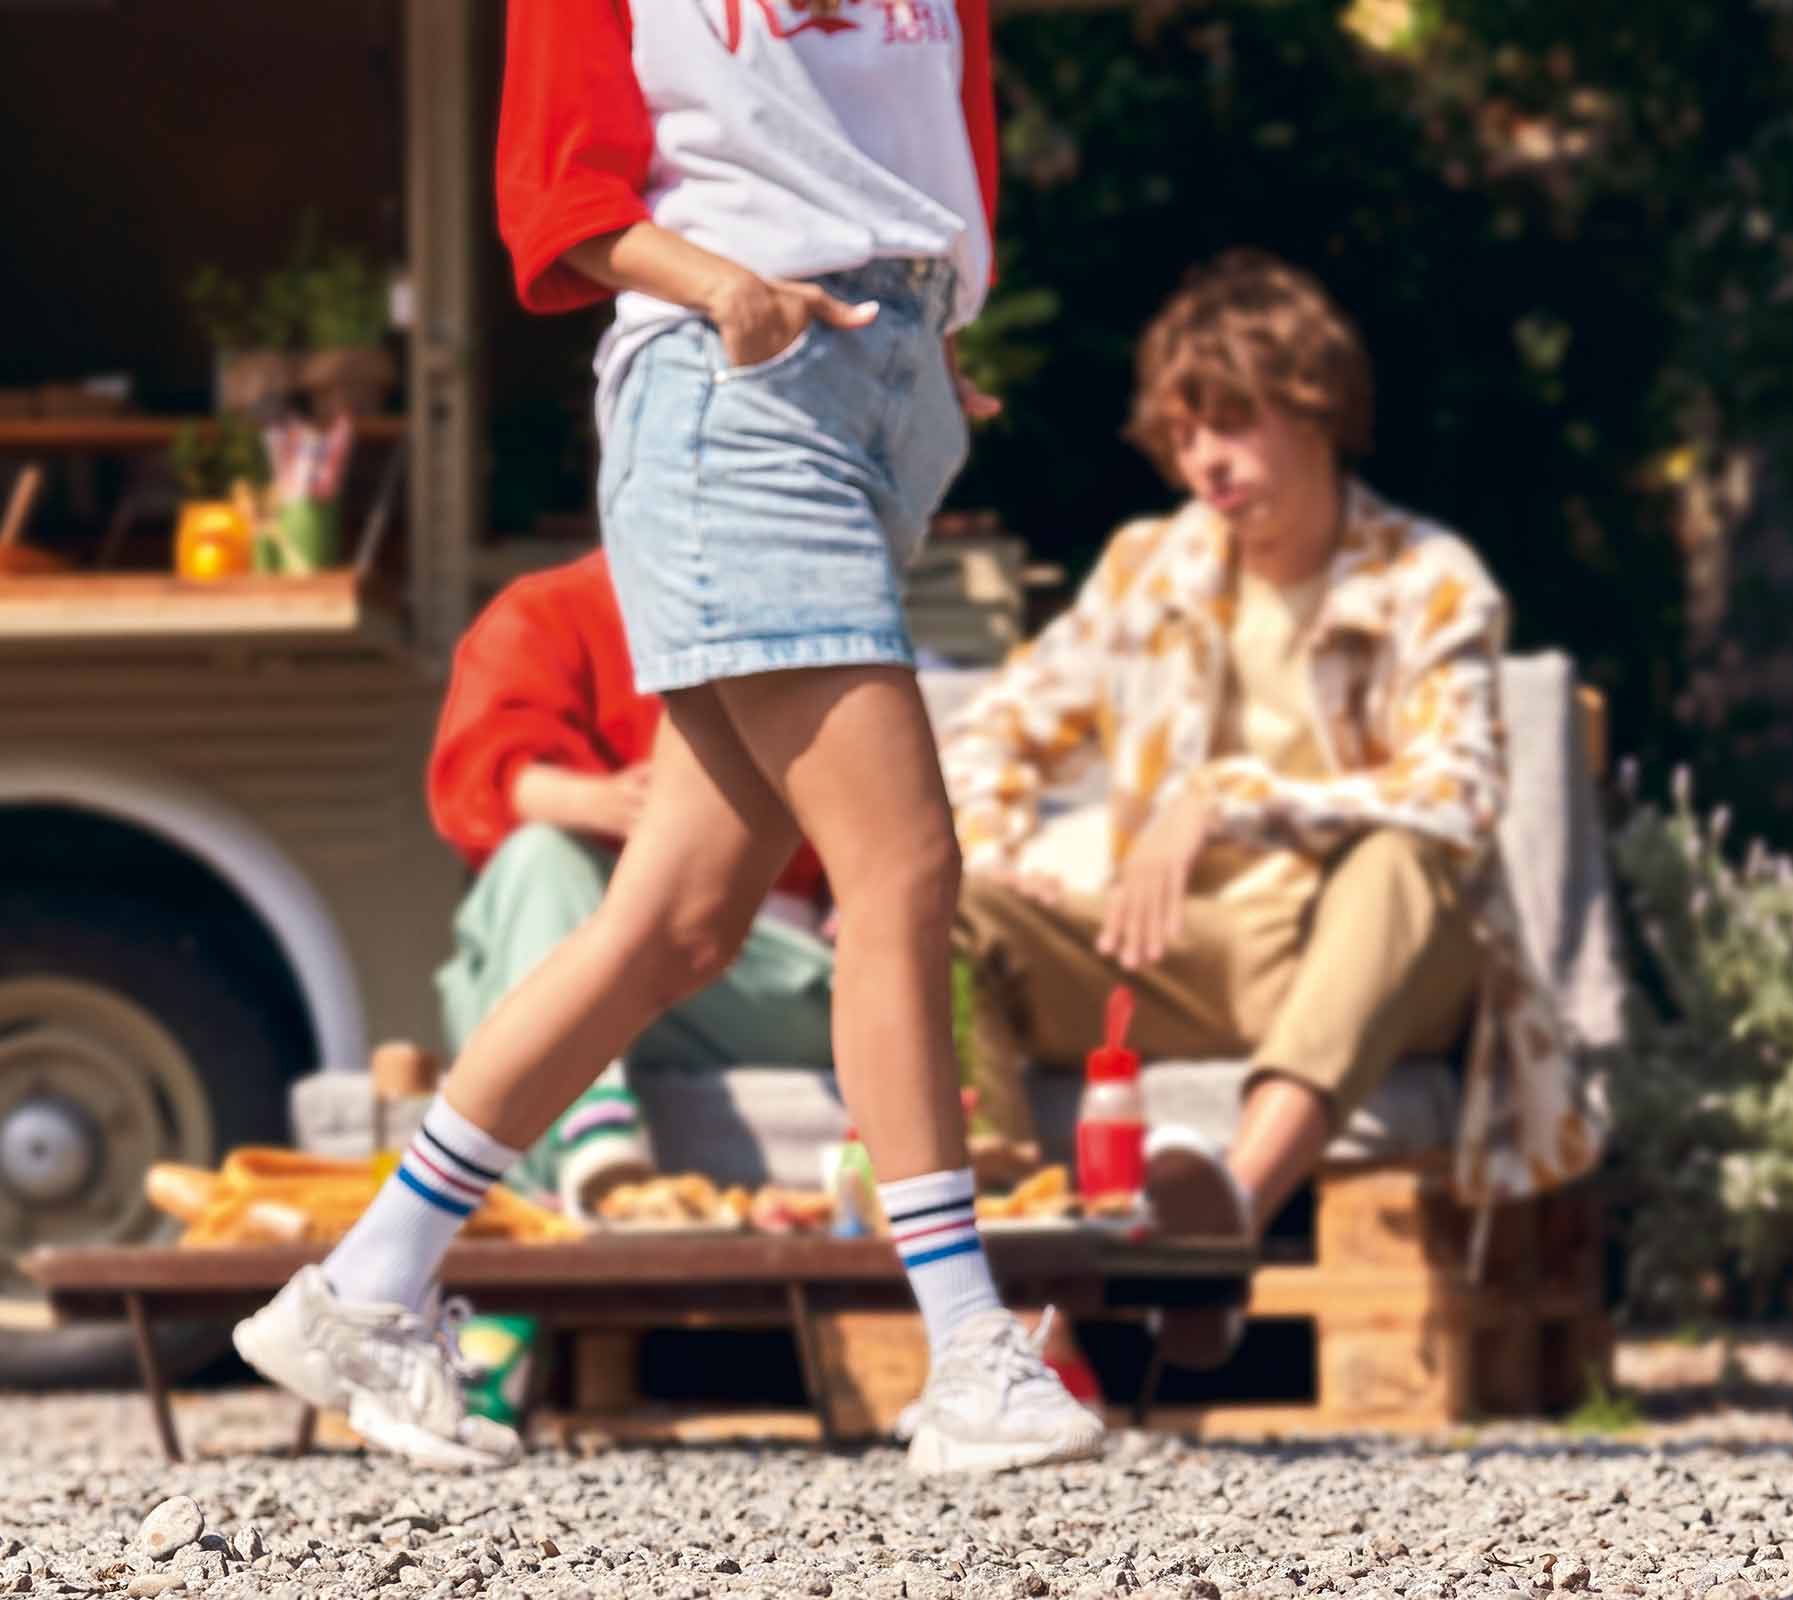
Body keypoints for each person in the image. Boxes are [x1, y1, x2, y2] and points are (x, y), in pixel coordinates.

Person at [230, 0, 1104, 1475]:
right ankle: (966, 1352)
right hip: (736, 392)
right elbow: (555, 189)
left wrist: (924, 326)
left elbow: (915, 128)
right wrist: (727, 291)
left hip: (878, 384)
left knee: (682, 920)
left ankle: (365, 1287)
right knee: (903, 873)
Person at [941, 251, 1570, 1365]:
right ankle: (1000, 1296)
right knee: (948, 909)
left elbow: (1461, 794)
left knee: (1400, 862)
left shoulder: (1429, 576)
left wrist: (1228, 801)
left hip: (1367, 957)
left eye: (1232, 424)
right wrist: (1004, 849)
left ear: (1314, 407)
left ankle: (1227, 1207)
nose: (1206, 462)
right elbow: (993, 730)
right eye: (1183, 438)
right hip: (1171, 951)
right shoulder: (1149, 567)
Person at [425, 551, 842, 1217]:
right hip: (593, 935)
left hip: (755, 972)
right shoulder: (546, 609)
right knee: (540, 864)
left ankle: (523, 1273)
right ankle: (591, 1144)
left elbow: (894, 826)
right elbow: (487, 778)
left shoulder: (812, 617)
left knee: (503, 1000)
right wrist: (617, 806)